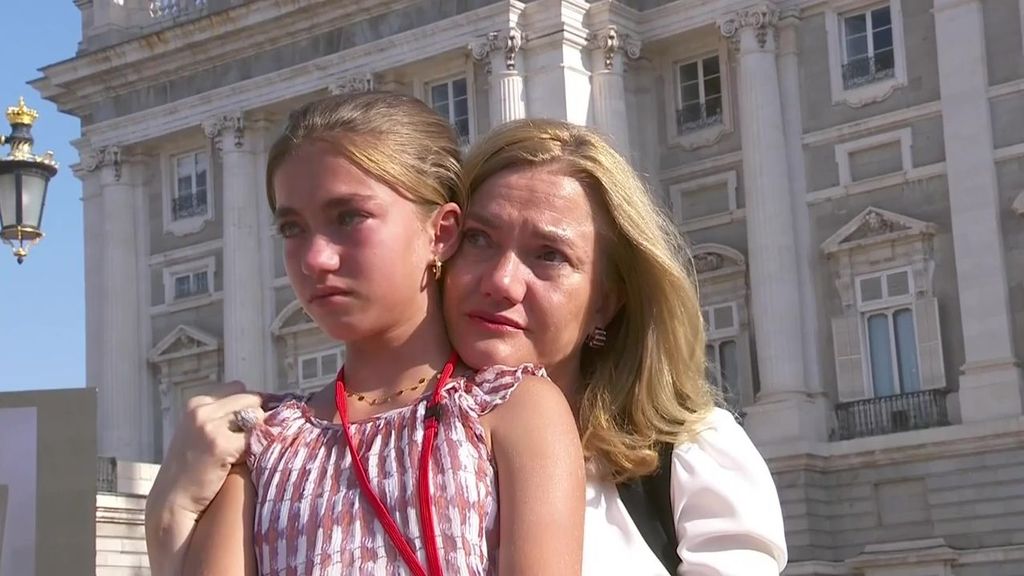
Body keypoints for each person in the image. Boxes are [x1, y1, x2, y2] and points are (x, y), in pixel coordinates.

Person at [148, 116, 787, 575]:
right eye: (481, 240)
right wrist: (174, 504)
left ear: (607, 299)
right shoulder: (282, 438)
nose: (501, 281)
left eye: (550, 256)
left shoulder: (688, 455)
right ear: (444, 242)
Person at [144, 94, 586, 576]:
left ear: (440, 232)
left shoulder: (514, 410)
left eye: (348, 217)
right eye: (292, 228)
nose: (315, 258)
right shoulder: (264, 442)